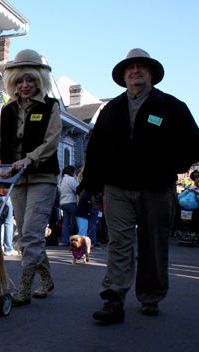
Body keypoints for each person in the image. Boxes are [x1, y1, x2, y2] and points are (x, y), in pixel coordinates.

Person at [81, 48, 199, 323]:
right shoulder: (110, 109)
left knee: (153, 244)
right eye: (130, 68)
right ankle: (113, 299)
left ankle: (150, 296)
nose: (135, 71)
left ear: (151, 75)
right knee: (119, 242)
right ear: (123, 76)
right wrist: (91, 182)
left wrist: (172, 165)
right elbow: (95, 148)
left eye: (141, 67)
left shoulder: (172, 106)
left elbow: (194, 143)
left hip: (157, 188)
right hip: (117, 188)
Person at [0, 49, 62, 305]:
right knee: (27, 234)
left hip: (42, 177)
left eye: (30, 80)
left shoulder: (50, 106)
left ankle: (25, 287)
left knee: (31, 234)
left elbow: (52, 140)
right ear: (13, 82)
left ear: (39, 80)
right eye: (20, 80)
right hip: (14, 179)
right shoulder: (8, 110)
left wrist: (30, 157)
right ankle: (47, 278)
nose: (25, 85)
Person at [58, 165, 79, 246]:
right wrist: (76, 179)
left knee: (65, 223)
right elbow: (77, 188)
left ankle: (65, 240)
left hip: (63, 203)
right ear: (72, 172)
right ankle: (77, 240)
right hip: (71, 202)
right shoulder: (70, 179)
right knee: (75, 222)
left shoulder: (61, 180)